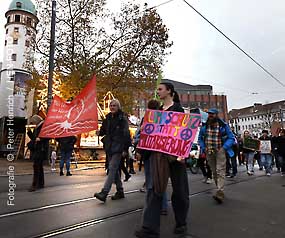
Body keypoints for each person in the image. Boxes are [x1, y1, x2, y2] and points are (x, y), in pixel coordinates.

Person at [135, 83, 189, 238]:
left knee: (179, 190)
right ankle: (149, 229)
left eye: (160, 89)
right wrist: (141, 150)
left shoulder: (178, 110)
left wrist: (183, 152)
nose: (157, 92)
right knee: (155, 190)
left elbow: (184, 133)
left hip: (174, 156)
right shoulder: (156, 111)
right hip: (158, 155)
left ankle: (181, 223)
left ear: (169, 91)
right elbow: (149, 133)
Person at [94, 99, 132, 202]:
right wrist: (99, 132)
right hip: (109, 147)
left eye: (114, 105)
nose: (112, 107)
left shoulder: (122, 119)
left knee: (111, 168)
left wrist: (125, 148)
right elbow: (103, 131)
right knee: (114, 171)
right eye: (111, 105)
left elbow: (126, 134)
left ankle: (104, 192)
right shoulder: (108, 118)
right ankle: (120, 191)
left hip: (118, 147)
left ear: (118, 107)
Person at [198, 108, 235, 203]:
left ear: (216, 115)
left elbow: (231, 138)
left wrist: (224, 148)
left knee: (220, 171)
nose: (210, 116)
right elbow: (200, 138)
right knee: (214, 172)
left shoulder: (223, 126)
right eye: (209, 114)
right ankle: (219, 189)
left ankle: (220, 191)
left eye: (212, 114)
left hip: (220, 151)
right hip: (209, 151)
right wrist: (203, 147)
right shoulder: (204, 126)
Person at [27, 115, 49, 192]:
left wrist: (41, 139)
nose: (34, 124)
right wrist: (29, 132)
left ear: (36, 121)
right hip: (38, 149)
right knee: (39, 167)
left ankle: (35, 185)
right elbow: (34, 138)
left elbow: (48, 136)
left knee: (36, 166)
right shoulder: (38, 127)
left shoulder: (43, 126)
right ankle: (40, 183)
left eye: (34, 122)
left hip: (41, 149)